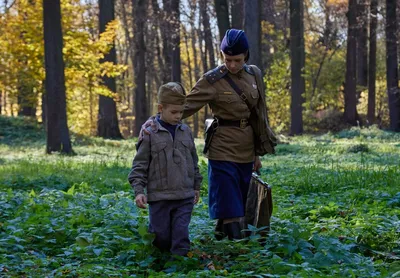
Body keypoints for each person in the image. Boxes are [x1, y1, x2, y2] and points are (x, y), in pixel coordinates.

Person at [140, 29, 276, 240]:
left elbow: (258, 116)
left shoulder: (254, 75)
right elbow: (183, 106)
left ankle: (224, 236)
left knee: (240, 195)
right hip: (222, 146)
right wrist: (154, 122)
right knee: (228, 196)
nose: (231, 65)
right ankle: (236, 246)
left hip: (246, 146)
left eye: (237, 60)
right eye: (227, 59)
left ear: (246, 56)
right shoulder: (212, 80)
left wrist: (257, 153)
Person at [128, 82, 203, 256]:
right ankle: (160, 264)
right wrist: (139, 191)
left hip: (184, 195)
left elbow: (193, 161)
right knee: (160, 237)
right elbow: (140, 164)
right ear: (161, 108)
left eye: (181, 112)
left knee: (180, 236)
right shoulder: (149, 133)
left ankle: (180, 266)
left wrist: (196, 186)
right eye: (174, 112)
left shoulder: (186, 131)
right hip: (159, 197)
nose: (178, 116)